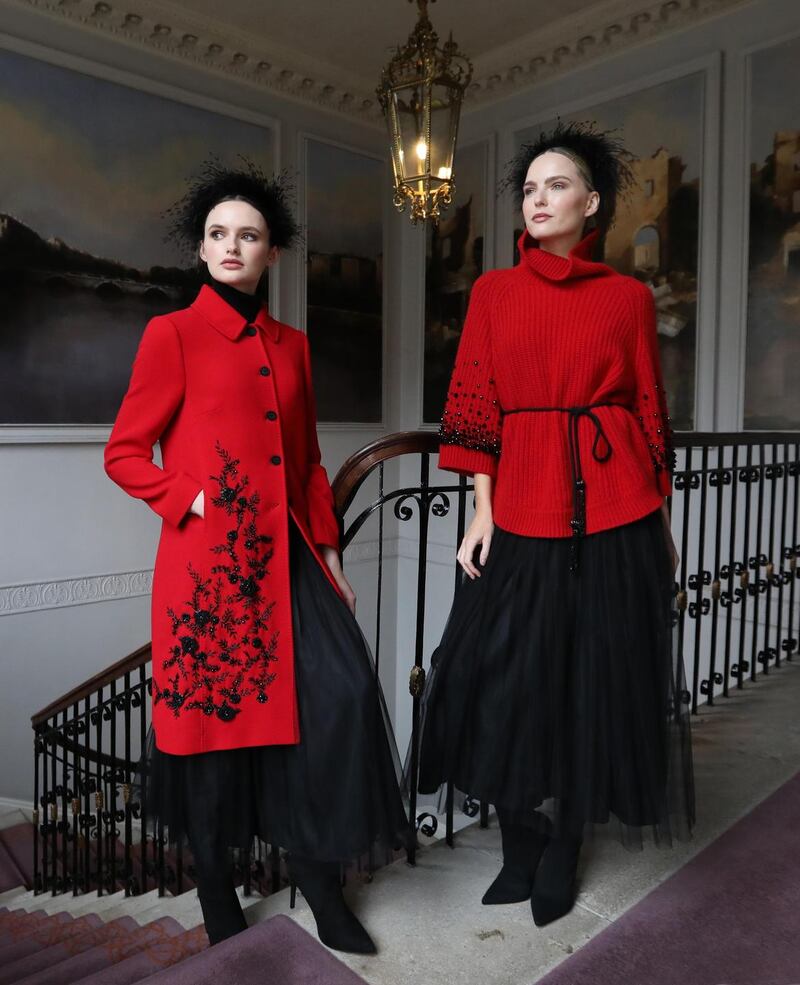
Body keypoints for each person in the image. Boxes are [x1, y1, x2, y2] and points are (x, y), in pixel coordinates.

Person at [105, 159, 409, 954]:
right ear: (201, 250)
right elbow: (126, 453)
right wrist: (195, 499)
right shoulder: (169, 334)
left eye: (248, 235)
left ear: (273, 252)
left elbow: (307, 464)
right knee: (213, 747)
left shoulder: (294, 346)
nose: (231, 246)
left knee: (328, 711)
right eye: (217, 235)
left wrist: (332, 553)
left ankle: (319, 887)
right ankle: (218, 900)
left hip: (297, 563)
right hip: (207, 575)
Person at [417, 122, 695, 928]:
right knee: (502, 677)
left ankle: (564, 844)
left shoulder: (628, 298)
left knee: (589, 684)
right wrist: (481, 510)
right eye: (529, 188)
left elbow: (648, 410)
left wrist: (663, 523)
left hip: (616, 505)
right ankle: (518, 840)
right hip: (523, 500)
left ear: (592, 202)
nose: (538, 198)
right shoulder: (493, 293)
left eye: (556, 185)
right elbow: (472, 405)